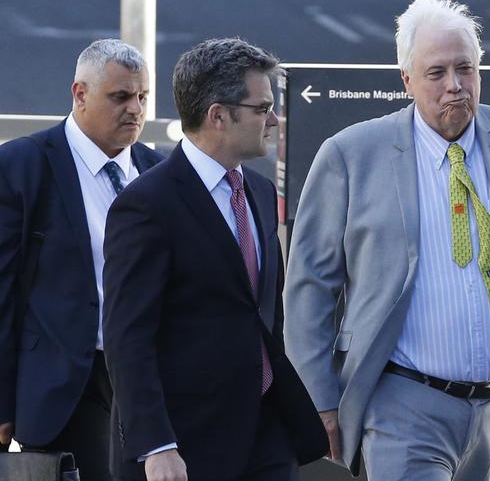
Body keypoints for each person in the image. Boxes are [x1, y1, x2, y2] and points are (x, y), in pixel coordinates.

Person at [283, 0, 490, 480]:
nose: (455, 86)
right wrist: (320, 401)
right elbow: (309, 290)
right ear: (407, 80)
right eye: (436, 74)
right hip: (401, 405)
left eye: (466, 69)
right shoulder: (350, 155)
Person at [102, 38, 328, 481]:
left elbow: (265, 313)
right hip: (186, 445)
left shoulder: (261, 193)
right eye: (263, 109)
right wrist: (157, 446)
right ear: (218, 115)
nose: (275, 120)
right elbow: (128, 338)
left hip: (267, 433)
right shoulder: (147, 204)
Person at [0, 39, 161, 480]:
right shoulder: (22, 165)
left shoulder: (159, 171)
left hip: (148, 382)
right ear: (80, 94)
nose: (135, 109)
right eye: (120, 97)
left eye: (143, 97)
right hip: (66, 384)